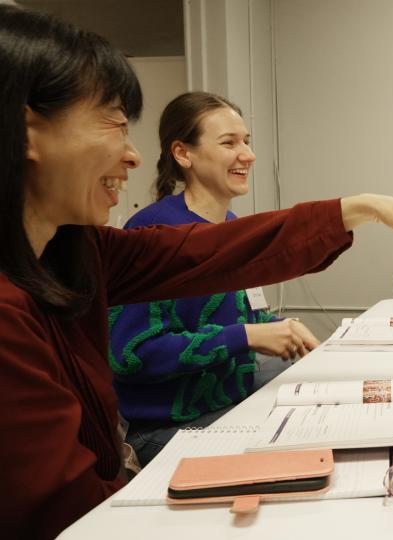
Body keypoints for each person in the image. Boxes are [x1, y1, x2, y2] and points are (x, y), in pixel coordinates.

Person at [0, 6, 393, 538]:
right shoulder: (31, 299)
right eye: (113, 122)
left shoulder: (76, 247)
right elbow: (64, 508)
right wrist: (247, 335)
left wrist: (358, 207)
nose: (131, 155)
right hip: (169, 435)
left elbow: (223, 251)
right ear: (28, 132)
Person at [109, 92, 319, 466]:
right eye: (229, 143)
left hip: (232, 404)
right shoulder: (151, 233)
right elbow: (131, 355)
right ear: (183, 153)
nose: (248, 155)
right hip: (170, 427)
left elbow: (241, 317)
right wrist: (249, 336)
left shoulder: (232, 229)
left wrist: (279, 327)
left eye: (247, 142)